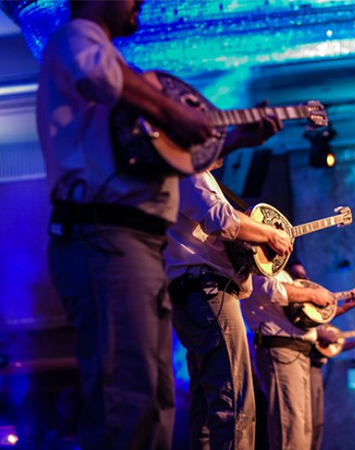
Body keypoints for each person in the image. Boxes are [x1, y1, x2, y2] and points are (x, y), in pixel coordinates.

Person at [35, 1, 231, 449]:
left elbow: (153, 158)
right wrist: (171, 110)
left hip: (128, 243)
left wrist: (229, 139)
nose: (139, 2)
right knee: (127, 396)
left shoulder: (109, 71)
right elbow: (104, 75)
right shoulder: (76, 39)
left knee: (150, 394)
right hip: (106, 238)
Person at [164, 144, 297, 449]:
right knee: (234, 405)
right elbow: (219, 218)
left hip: (192, 295)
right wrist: (270, 234)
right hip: (210, 293)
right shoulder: (190, 169)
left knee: (207, 410)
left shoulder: (173, 172)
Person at [241, 259, 355, 450]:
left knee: (304, 430)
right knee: (291, 428)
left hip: (299, 352)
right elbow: (272, 289)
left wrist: (344, 307)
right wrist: (314, 293)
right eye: (300, 275)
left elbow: (308, 318)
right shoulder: (260, 270)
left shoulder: (286, 277)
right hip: (280, 350)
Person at [309, 327, 355, 450]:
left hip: (317, 368)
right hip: (305, 368)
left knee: (316, 425)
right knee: (306, 424)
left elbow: (328, 348)